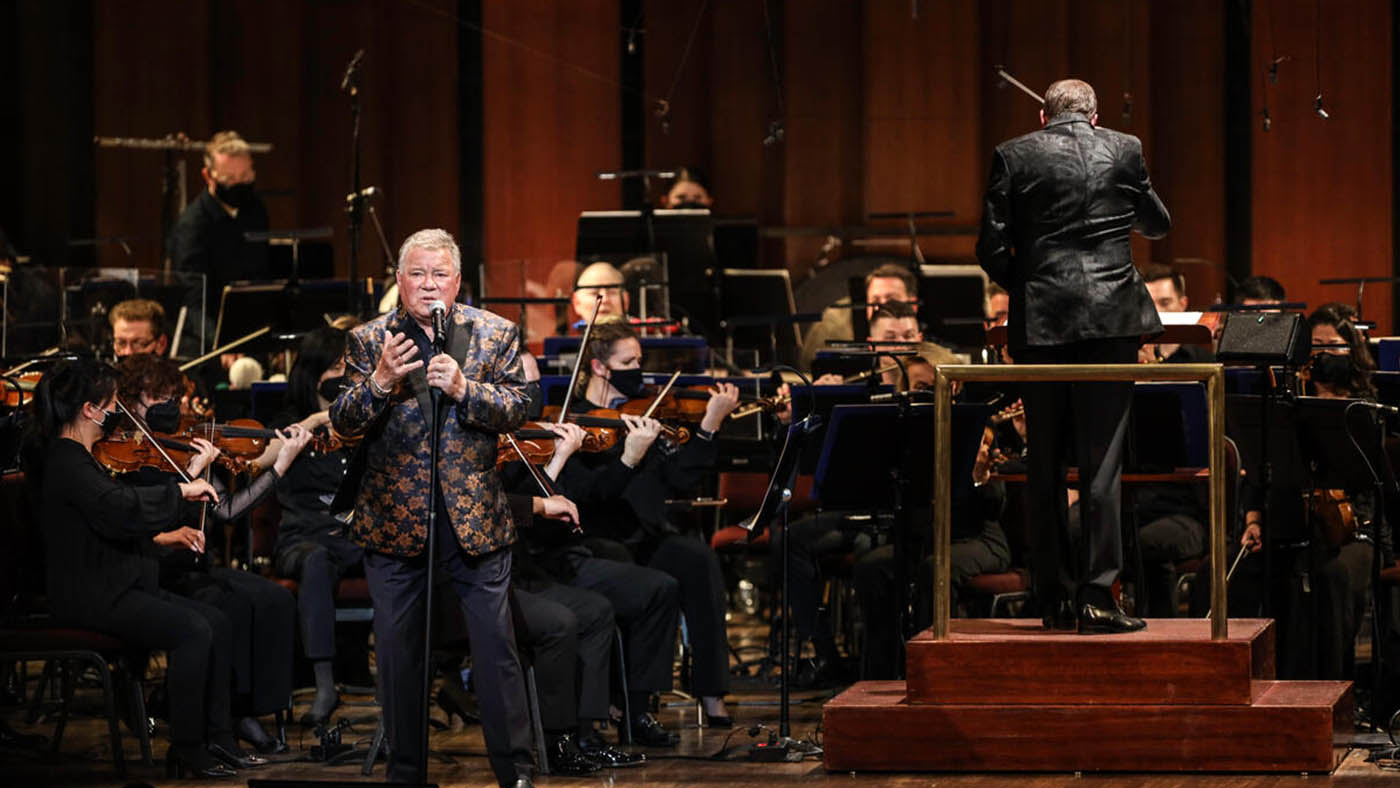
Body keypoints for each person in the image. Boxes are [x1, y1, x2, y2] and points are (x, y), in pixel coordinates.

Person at [329, 228, 535, 788]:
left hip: (474, 520)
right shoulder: (369, 341)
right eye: (417, 274)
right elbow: (342, 423)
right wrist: (379, 383)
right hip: (395, 521)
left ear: (458, 280)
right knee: (397, 657)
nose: (428, 285)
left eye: (438, 274)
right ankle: (406, 774)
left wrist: (469, 391)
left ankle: (514, 772)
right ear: (398, 281)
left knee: (496, 653)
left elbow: (519, 407)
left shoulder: (496, 334)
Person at [977, 78, 1169, 633]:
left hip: (1041, 323)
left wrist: (1031, 284)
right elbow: (1157, 225)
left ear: (1043, 116)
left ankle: (1053, 599)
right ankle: (1098, 598)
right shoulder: (1125, 148)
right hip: (1112, 321)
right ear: (1095, 114)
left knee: (1043, 464)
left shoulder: (1013, 155)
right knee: (1102, 462)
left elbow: (989, 246)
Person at [23, 359, 238, 778]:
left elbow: (110, 522)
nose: (116, 412)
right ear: (90, 409)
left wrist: (166, 534)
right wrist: (181, 490)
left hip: (113, 583)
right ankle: (188, 747)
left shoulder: (81, 457)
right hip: (91, 595)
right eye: (111, 404)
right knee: (193, 630)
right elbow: (117, 509)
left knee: (214, 619)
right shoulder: (66, 462)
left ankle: (219, 736)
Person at [115, 353, 311, 757]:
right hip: (157, 571)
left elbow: (224, 511)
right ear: (132, 404)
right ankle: (215, 717)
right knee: (227, 607)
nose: (172, 408)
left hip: (195, 566)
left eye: (174, 397)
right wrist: (186, 483)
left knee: (274, 599)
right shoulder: (124, 458)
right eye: (158, 399)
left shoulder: (185, 447)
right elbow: (132, 526)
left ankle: (253, 709)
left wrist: (278, 469)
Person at [561, 321, 740, 728]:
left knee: (698, 561)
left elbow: (679, 478)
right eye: (628, 362)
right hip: (599, 538)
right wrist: (629, 457)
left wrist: (709, 425)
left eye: (639, 360)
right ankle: (633, 703)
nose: (638, 371)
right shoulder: (576, 423)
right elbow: (591, 494)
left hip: (647, 534)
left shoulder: (640, 413)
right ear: (599, 367)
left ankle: (711, 690)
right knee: (647, 579)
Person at [1228, 303, 1389, 679]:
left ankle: (1331, 690)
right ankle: (1254, 681)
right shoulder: (1288, 401)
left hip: (1355, 533)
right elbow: (1260, 467)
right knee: (1234, 572)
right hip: (1293, 529)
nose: (1322, 356)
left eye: (1332, 346)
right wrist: (1253, 518)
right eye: (1314, 347)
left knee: (1329, 576)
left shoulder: (1365, 407)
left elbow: (1374, 483)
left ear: (1352, 349)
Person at [268, 324, 366, 728]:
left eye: (350, 367)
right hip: (304, 539)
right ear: (315, 372)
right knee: (316, 562)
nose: (345, 375)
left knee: (406, 556)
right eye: (337, 367)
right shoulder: (291, 420)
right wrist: (315, 420)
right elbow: (263, 459)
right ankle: (325, 683)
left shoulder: (361, 422)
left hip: (355, 536)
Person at [167, 131, 271, 324]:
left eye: (246, 177)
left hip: (251, 324)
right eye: (229, 179)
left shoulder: (256, 209)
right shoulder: (192, 226)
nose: (239, 184)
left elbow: (261, 276)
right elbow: (193, 301)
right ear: (208, 176)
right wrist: (220, 343)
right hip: (207, 332)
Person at [800, 262, 920, 371]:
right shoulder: (834, 330)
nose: (881, 308)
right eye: (875, 301)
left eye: (891, 299)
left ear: (913, 304)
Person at [570, 262, 630, 328]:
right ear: (577, 303)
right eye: (594, 293)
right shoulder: (565, 335)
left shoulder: (640, 331)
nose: (604, 300)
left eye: (612, 292)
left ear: (626, 300)